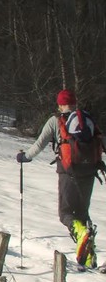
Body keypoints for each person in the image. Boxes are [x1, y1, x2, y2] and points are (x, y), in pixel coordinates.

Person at [16, 89, 105, 269]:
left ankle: (81, 236)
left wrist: (25, 157)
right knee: (82, 211)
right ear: (75, 102)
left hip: (68, 171)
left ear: (59, 104)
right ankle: (89, 258)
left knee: (65, 214)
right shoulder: (87, 119)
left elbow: (40, 143)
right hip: (89, 171)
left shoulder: (56, 121)